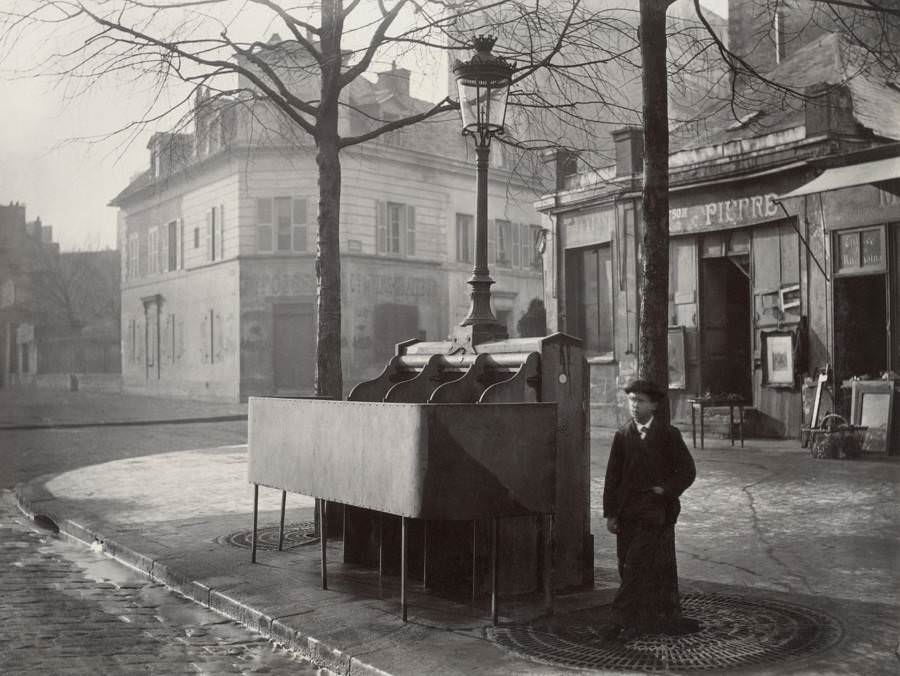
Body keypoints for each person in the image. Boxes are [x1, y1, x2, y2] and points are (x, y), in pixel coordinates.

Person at [601, 378, 697, 642]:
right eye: (631, 400)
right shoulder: (623, 435)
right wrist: (610, 514)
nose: (634, 406)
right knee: (626, 565)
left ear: (653, 405)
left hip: (655, 513)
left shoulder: (668, 435)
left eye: (640, 401)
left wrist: (665, 490)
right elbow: (612, 478)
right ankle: (638, 621)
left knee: (634, 565)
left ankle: (618, 621)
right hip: (627, 512)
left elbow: (688, 471)